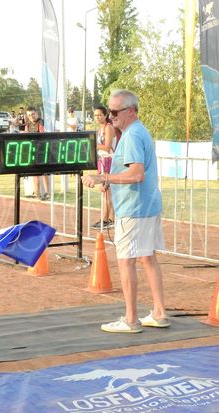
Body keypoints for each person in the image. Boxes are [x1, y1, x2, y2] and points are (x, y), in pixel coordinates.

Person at [81, 89, 168, 334]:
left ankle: (131, 319)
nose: (110, 116)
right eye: (109, 111)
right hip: (148, 205)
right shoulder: (139, 131)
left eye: (115, 111)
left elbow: (136, 174)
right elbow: (134, 173)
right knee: (148, 257)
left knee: (126, 261)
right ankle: (159, 312)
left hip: (134, 208)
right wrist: (112, 180)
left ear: (131, 111)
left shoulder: (130, 136)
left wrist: (103, 177)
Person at [92, 105, 117, 229]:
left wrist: (92, 144)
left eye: (99, 115)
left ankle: (105, 219)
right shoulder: (101, 128)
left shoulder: (108, 128)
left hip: (107, 159)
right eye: (95, 115)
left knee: (105, 190)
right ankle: (111, 219)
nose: (97, 117)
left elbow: (107, 147)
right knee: (107, 191)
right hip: (102, 159)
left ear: (105, 115)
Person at [24, 107, 50, 200]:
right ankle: (37, 194)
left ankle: (47, 193)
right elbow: (26, 136)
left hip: (42, 150)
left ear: (37, 113)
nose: (31, 116)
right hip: (33, 151)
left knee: (45, 173)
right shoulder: (27, 124)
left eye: (33, 114)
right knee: (35, 173)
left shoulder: (41, 122)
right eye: (29, 115)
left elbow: (42, 135)